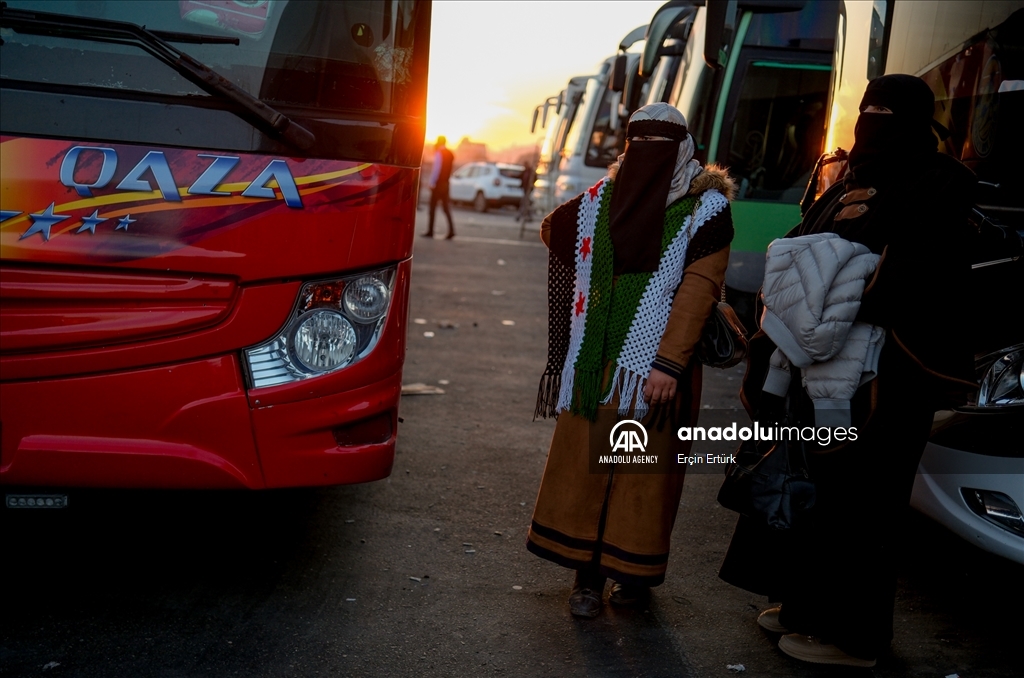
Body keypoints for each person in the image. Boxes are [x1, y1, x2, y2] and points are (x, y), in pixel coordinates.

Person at [719, 74, 978, 668]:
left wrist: (835, 280)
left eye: (888, 114)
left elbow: (915, 277)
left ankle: (854, 637)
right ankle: (804, 607)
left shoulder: (941, 182)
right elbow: (803, 242)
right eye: (869, 111)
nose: (874, 125)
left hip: (889, 375)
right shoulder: (848, 176)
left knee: (867, 503)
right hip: (819, 363)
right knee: (816, 488)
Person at [527, 103, 736, 618]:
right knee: (586, 472)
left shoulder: (705, 209)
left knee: (644, 477)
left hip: (659, 370)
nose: (647, 158)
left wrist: (667, 363)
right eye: (637, 146)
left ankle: (634, 575)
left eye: (658, 148)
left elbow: (698, 290)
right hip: (597, 363)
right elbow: (555, 229)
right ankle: (586, 580)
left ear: (683, 150)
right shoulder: (604, 199)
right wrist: (603, 274)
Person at [425, 136, 455, 239]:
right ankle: (452, 230)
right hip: (446, 183)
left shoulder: (439, 153)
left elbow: (436, 169)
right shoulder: (450, 153)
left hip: (438, 184)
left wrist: (432, 183)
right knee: (446, 208)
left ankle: (430, 231)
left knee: (432, 207)